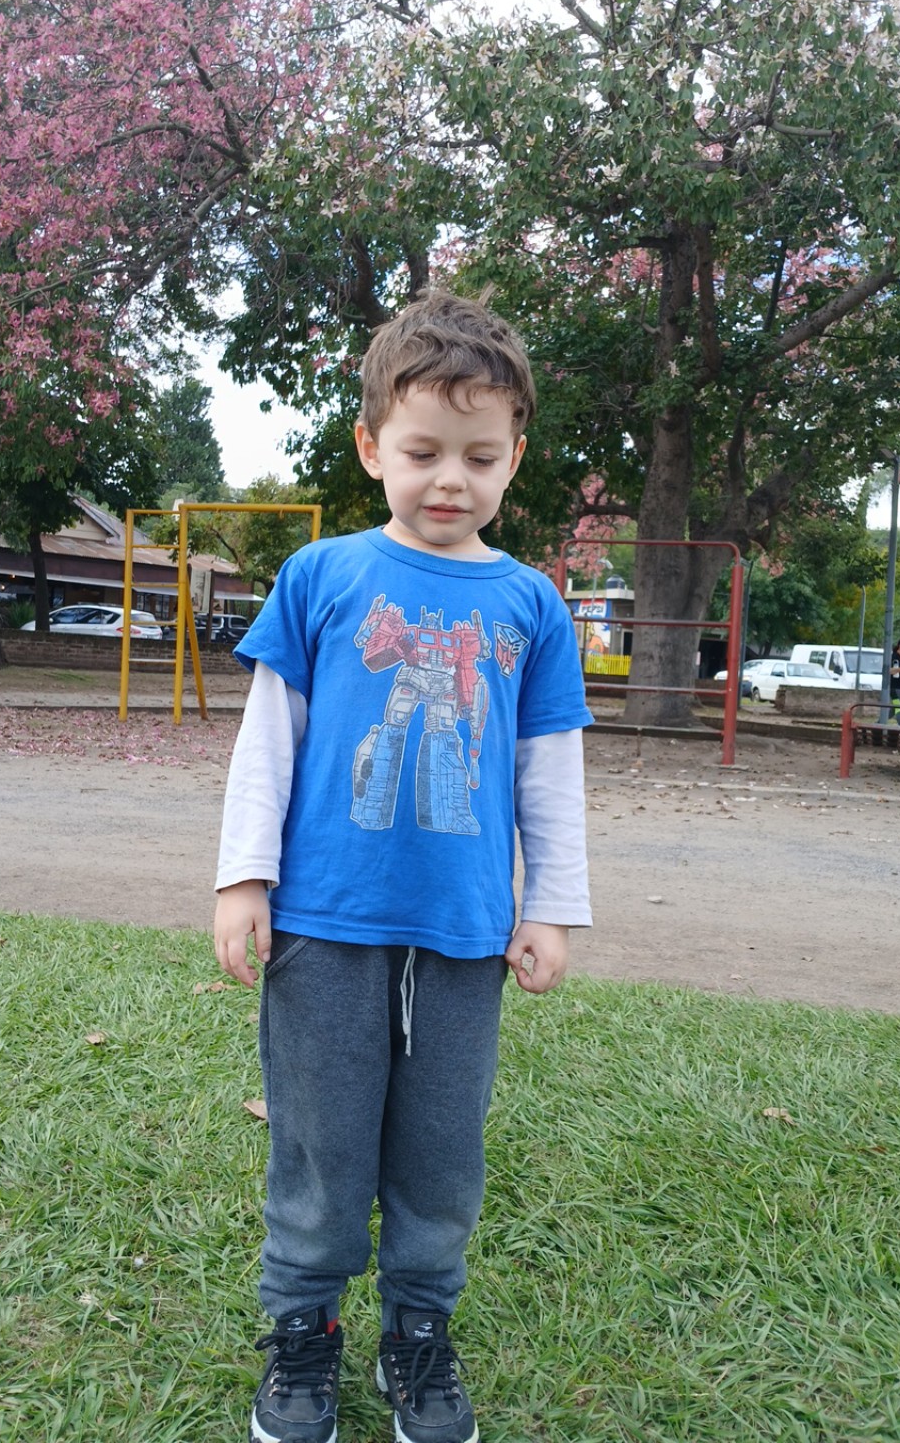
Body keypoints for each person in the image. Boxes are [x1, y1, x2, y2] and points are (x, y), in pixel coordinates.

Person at [213, 289, 592, 1443]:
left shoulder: (531, 604)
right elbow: (268, 743)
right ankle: (305, 1329)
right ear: (373, 445)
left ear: (514, 458)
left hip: (465, 936)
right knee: (322, 1142)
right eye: (424, 452)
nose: (450, 480)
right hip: (324, 926)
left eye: (480, 457)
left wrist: (552, 907)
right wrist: (244, 877)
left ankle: (418, 1332)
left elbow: (548, 770)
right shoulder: (321, 577)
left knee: (439, 1150)